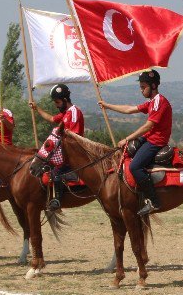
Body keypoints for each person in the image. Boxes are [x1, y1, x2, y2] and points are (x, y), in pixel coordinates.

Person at [99, 70, 173, 216]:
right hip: (148, 138)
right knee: (124, 154)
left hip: (156, 141)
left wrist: (127, 138)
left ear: (153, 85)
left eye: (143, 86)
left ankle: (154, 201)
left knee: (135, 166)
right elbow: (129, 109)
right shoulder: (151, 102)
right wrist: (107, 105)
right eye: (140, 87)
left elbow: (148, 126)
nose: (141, 90)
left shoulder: (159, 101)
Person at [29, 84, 84, 211]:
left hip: (74, 153)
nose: (56, 105)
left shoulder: (74, 112)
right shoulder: (65, 113)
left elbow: (74, 136)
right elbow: (52, 118)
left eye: (57, 102)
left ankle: (57, 200)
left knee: (57, 173)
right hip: (64, 152)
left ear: (65, 100)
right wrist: (37, 108)